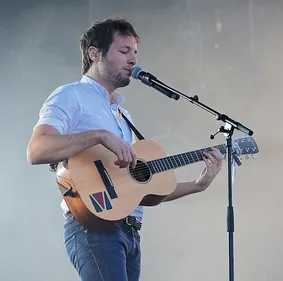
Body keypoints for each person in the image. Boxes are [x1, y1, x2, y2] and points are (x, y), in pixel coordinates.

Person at [26, 17, 223, 281]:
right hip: (94, 229)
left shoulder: (122, 114)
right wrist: (99, 135)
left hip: (129, 233)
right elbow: (36, 150)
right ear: (95, 54)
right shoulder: (70, 96)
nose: (133, 60)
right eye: (124, 51)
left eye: (135, 52)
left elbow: (141, 188)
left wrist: (199, 185)